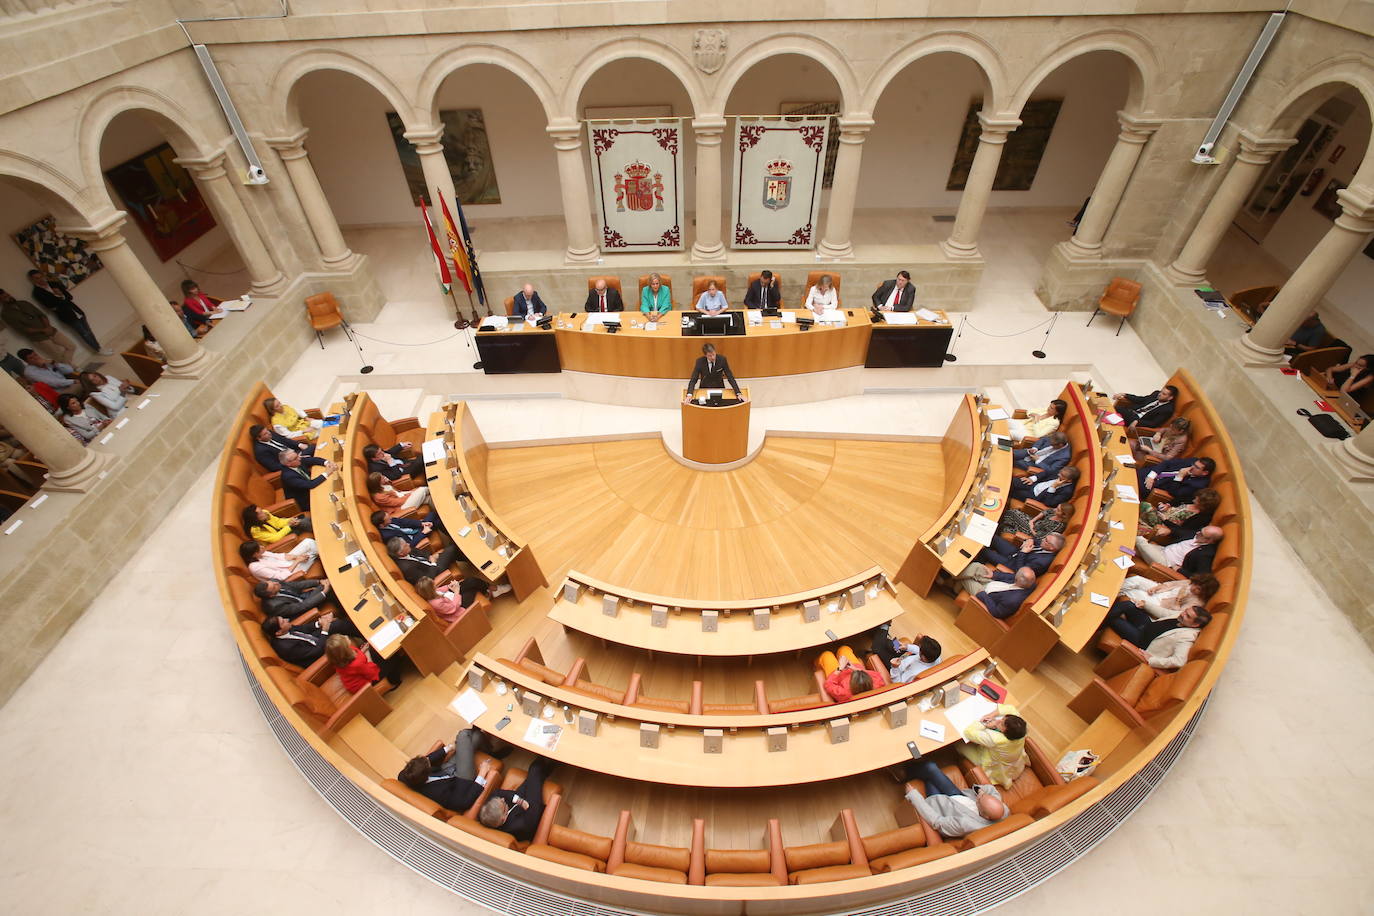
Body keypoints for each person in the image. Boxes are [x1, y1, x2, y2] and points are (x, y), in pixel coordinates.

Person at [399, 727, 505, 813]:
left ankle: (490, 752)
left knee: (477, 736)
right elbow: (464, 802)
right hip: (461, 780)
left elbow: (426, 760)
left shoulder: (406, 775)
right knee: (463, 734)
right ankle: (492, 753)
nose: (428, 759)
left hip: (446, 770)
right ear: (426, 773)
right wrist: (481, 774)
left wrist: (448, 748)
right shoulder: (438, 794)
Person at [902, 756, 1008, 839]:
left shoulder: (966, 825)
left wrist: (914, 796)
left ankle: (904, 772)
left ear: (985, 816)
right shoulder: (1001, 810)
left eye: (979, 800)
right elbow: (991, 789)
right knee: (931, 767)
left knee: (928, 778)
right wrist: (981, 792)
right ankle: (909, 769)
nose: (979, 797)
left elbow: (937, 822)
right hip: (957, 796)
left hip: (942, 806)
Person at [1102, 601, 1212, 669]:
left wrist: (1152, 660)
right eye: (1185, 611)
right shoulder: (1182, 616)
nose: (1183, 614)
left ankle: (1094, 624)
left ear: (1195, 624)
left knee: (1114, 619)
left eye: (1187, 616)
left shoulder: (1188, 637)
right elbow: (1164, 613)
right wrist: (1146, 604)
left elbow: (1179, 661)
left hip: (1141, 640)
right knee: (1128, 605)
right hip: (1146, 625)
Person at [28, 269, 109, 354]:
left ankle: (99, 348)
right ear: (32, 280)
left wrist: (61, 296)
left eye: (41, 277)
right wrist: (58, 296)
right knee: (84, 334)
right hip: (67, 316)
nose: (40, 279)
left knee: (88, 331)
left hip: (76, 311)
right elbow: (50, 306)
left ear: (43, 275)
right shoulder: (37, 293)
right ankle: (98, 350)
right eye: (36, 278)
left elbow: (69, 297)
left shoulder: (53, 284)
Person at [478, 756, 556, 842]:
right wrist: (523, 803)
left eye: (500, 800)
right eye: (503, 805)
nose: (503, 800)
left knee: (534, 775)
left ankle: (547, 769)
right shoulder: (519, 825)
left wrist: (517, 799)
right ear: (503, 819)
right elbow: (534, 812)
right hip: (531, 810)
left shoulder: (487, 814)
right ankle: (549, 762)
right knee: (535, 767)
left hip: (519, 800)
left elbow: (496, 793)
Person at [956, 706, 1028, 788]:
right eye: (1003, 719)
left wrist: (984, 724)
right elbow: (1011, 709)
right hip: (1012, 761)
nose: (998, 720)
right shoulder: (1021, 729)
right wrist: (992, 714)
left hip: (993, 765)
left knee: (959, 743)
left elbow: (968, 732)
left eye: (1001, 724)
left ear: (1006, 732)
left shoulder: (997, 739)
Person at [0, 288, 75, 363]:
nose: (8, 297)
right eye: (4, 297)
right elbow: (22, 329)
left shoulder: (23, 303)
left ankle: (72, 369)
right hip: (39, 338)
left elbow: (41, 315)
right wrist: (43, 330)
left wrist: (48, 327)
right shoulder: (6, 314)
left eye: (8, 295)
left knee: (71, 346)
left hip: (50, 330)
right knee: (58, 356)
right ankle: (74, 371)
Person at [261, 610, 359, 667]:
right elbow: (316, 651)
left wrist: (319, 623)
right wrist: (324, 629)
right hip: (317, 655)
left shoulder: (285, 629)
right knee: (334, 625)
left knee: (335, 624)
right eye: (283, 622)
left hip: (313, 641)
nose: (287, 620)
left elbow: (303, 628)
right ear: (278, 632)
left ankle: (360, 632)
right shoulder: (287, 648)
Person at [1118, 573, 1219, 620]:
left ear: (1205, 592)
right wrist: (1156, 588)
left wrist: (1178, 600)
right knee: (1137, 579)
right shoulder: (1189, 583)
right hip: (1161, 591)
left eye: (1199, 589)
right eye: (1196, 584)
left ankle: (1113, 593)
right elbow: (1170, 584)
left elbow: (1176, 614)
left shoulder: (1197, 603)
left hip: (1160, 604)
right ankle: (1114, 587)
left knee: (1132, 591)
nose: (1194, 588)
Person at [325, 633, 404, 693]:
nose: (346, 636)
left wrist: (363, 652)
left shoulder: (340, 656)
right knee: (392, 657)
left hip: (362, 669)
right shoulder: (356, 664)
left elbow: (358, 658)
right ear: (345, 649)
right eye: (344, 639)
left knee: (378, 651)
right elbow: (372, 673)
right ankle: (394, 682)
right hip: (364, 683)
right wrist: (367, 654)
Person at [1139, 487, 1220, 545]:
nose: (1194, 499)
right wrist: (1167, 505)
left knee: (1146, 506)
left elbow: (1183, 530)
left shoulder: (1201, 518)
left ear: (1203, 504)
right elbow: (1177, 500)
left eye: (1197, 500)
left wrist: (1165, 520)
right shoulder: (1191, 500)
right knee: (1144, 505)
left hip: (1166, 524)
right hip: (1162, 513)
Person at [1135, 524, 1222, 574]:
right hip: (1162, 550)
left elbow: (1201, 575)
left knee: (1139, 539)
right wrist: (1170, 531)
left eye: (1201, 534)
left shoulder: (1205, 554)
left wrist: (1179, 570)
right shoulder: (1198, 535)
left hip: (1165, 562)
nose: (1198, 533)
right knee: (1132, 549)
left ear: (1210, 540)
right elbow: (1181, 531)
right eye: (1200, 530)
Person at [816, 645, 887, 702]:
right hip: (853, 666)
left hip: (837, 674)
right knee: (844, 649)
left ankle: (817, 663)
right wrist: (855, 668)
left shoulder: (844, 694)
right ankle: (839, 654)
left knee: (826, 654)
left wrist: (840, 668)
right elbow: (877, 675)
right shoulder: (877, 684)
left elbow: (828, 685)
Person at [387, 536, 462, 585]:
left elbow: (419, 551)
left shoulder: (406, 551)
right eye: (405, 545)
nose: (408, 544)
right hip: (434, 571)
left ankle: (463, 557)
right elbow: (426, 579)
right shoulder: (408, 568)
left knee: (453, 545)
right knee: (451, 549)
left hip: (430, 561)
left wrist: (430, 556)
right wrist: (433, 563)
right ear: (400, 553)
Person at [240, 538, 319, 582]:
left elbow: (280, 556)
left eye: (260, 545)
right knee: (311, 553)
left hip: (288, 562)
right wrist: (297, 561)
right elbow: (280, 577)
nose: (262, 547)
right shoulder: (255, 567)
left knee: (308, 542)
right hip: (291, 573)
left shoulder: (261, 553)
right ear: (254, 554)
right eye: (259, 548)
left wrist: (297, 557)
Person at [1140, 457, 1214, 502]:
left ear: (1204, 473)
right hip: (1152, 473)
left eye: (1197, 467)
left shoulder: (1198, 485)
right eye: (1193, 464)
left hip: (1155, 485)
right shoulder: (1193, 460)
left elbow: (1174, 492)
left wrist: (1180, 476)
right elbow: (1167, 463)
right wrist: (1151, 476)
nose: (1192, 467)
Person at [254, 578, 337, 618]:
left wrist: (318, 581)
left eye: (272, 582)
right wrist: (324, 592)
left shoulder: (274, 582)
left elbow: (296, 585)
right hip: (302, 608)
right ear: (271, 595)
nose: (276, 583)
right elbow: (303, 606)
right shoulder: (275, 607)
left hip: (301, 597)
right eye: (274, 587)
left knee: (326, 583)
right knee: (328, 588)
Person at [250, 423, 315, 472]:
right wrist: (293, 460)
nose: (269, 433)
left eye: (267, 431)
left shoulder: (270, 433)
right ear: (259, 438)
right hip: (291, 463)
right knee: (310, 459)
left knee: (313, 447)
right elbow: (274, 467)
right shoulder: (261, 451)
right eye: (265, 434)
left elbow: (284, 440)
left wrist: (299, 444)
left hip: (297, 453)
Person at [1009, 465, 1079, 507]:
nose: (1058, 475)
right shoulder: (1061, 472)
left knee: (1011, 491)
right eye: (1060, 473)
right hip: (1033, 485)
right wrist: (1032, 479)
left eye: (1062, 476)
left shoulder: (1067, 492)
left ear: (1069, 480)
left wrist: (1053, 487)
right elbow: (1046, 473)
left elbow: (1049, 503)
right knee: (1012, 481)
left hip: (1035, 497)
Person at [998, 501, 1070, 542]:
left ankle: (999, 526)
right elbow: (1046, 511)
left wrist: (1031, 527)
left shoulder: (1057, 526)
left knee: (1012, 514)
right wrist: (1033, 520)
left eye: (1057, 510)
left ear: (1063, 515)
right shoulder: (1054, 512)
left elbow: (1040, 537)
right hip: (1033, 523)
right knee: (1013, 512)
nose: (1054, 510)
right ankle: (1002, 524)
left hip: (1032, 532)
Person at [1112, 384, 1178, 429]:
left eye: (1164, 394)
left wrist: (1137, 421)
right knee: (1114, 409)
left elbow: (1154, 423)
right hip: (1130, 412)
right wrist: (1124, 394)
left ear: (1170, 398)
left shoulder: (1167, 410)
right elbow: (1141, 399)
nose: (1160, 394)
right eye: (1161, 392)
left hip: (1137, 419)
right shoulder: (1156, 394)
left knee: (1116, 412)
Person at [242, 504, 311, 545]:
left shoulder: (265, 514)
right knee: (303, 522)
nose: (263, 512)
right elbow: (275, 539)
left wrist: (290, 521)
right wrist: (289, 526)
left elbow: (278, 522)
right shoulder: (255, 531)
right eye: (260, 513)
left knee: (303, 519)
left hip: (281, 531)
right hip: (279, 542)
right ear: (255, 518)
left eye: (261, 510)